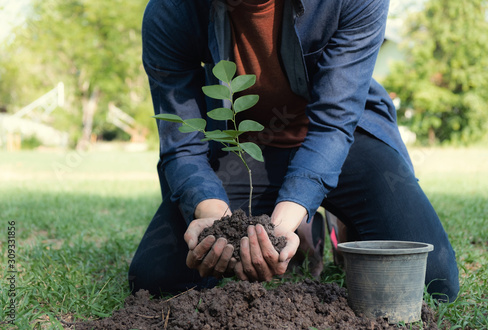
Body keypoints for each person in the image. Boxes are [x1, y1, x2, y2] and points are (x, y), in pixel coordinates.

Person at [128, 0, 460, 302]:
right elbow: (182, 144)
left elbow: (333, 124)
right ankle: (303, 224)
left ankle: (327, 215)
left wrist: (280, 226)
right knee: (157, 278)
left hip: (343, 141)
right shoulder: (172, 10)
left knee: (432, 279)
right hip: (247, 147)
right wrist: (213, 217)